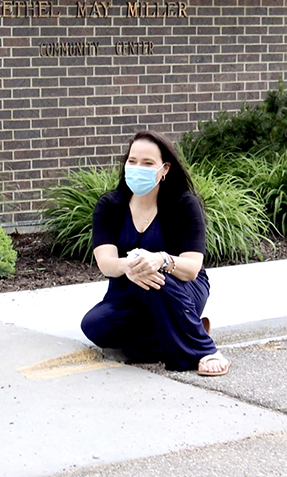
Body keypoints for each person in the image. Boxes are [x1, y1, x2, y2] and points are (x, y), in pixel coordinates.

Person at [80, 131, 230, 376]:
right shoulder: (109, 206)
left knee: (151, 278)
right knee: (95, 326)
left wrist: (160, 260)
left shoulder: (183, 203)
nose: (138, 168)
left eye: (148, 163)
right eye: (132, 161)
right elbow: (106, 263)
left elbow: (192, 268)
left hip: (180, 286)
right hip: (128, 287)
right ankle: (188, 330)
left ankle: (205, 349)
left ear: (165, 169)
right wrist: (131, 266)